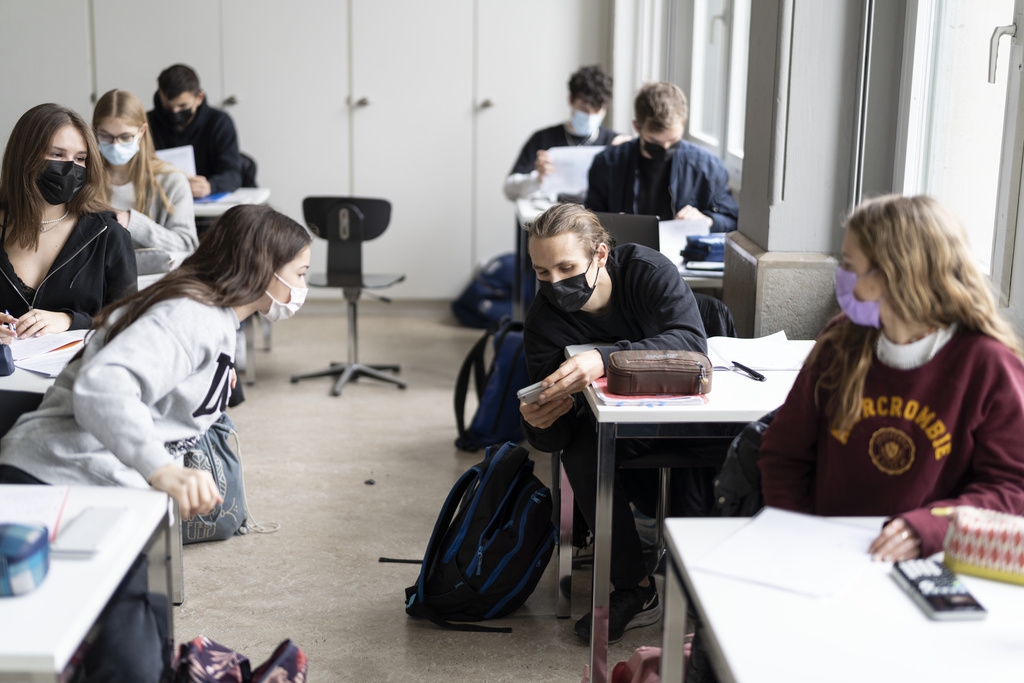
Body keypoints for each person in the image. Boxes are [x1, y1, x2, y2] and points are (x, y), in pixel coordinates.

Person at [759, 194, 1024, 561]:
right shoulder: (841, 341)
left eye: (850, 265)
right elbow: (783, 456)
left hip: (933, 558)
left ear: (895, 275)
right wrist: (801, 537)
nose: (842, 278)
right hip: (828, 554)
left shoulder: (988, 363)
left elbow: (1012, 487)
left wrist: (930, 529)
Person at [0, 204, 310, 512]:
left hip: (97, 481)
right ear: (263, 267)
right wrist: (161, 469)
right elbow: (104, 386)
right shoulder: (192, 315)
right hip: (55, 477)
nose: (302, 288)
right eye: (300, 274)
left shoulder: (218, 318)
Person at [518, 202, 708, 644]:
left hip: (683, 414)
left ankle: (709, 573)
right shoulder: (545, 321)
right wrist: (538, 423)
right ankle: (635, 589)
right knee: (580, 449)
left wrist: (602, 359)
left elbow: (690, 342)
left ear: (600, 255)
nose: (555, 284)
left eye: (567, 267)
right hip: (613, 435)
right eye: (542, 273)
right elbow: (556, 435)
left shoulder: (646, 271)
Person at [0, 103, 136, 340]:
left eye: (80, 158)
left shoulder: (107, 234)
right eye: (57, 154)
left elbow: (129, 321)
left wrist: (71, 320)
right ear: (24, 157)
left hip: (75, 372)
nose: (70, 168)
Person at [586, 82, 739, 232]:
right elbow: (588, 223)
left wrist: (706, 221)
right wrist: (608, 224)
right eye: (655, 142)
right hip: (625, 253)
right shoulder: (607, 164)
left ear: (683, 126)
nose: (665, 148)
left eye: (673, 141)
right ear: (637, 127)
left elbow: (732, 220)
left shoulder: (707, 167)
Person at [93, 89, 198, 253]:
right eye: (105, 136)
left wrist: (131, 221)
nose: (115, 145)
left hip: (156, 277)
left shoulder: (171, 180)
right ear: (95, 131)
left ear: (141, 132)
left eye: (125, 137)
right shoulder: (85, 178)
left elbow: (186, 246)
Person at [504, 65, 622, 201]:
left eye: (597, 110)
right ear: (571, 100)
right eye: (584, 109)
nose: (590, 116)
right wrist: (538, 179)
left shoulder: (613, 143)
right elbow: (509, 190)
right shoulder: (543, 139)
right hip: (550, 217)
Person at [147, 64, 242, 199]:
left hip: (208, 207)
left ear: (199, 98)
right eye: (168, 106)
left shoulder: (219, 122)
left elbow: (232, 174)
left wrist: (210, 186)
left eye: (183, 106)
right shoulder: (147, 123)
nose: (175, 112)